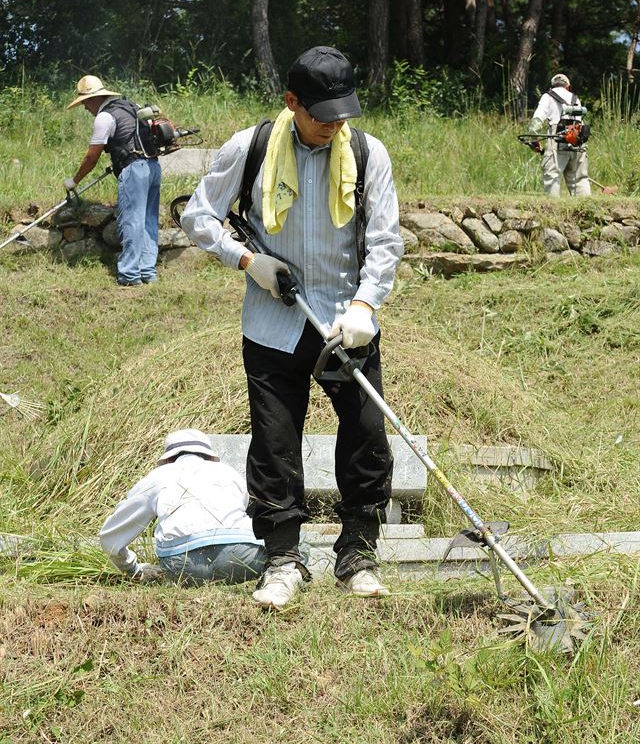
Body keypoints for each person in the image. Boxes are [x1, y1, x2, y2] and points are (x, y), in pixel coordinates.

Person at [181, 45, 404, 610]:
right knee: (275, 441)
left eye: (343, 115)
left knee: (366, 435)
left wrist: (366, 306)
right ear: (291, 102)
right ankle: (283, 557)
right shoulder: (250, 147)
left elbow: (384, 241)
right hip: (271, 322)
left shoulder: (369, 154)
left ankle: (357, 551)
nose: (333, 126)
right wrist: (248, 262)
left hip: (345, 322)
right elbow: (198, 215)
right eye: (321, 115)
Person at [99, 428, 267, 585]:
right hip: (242, 557)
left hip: (182, 565)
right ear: (209, 456)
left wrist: (133, 569)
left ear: (169, 459)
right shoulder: (228, 472)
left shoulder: (159, 476)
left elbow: (110, 537)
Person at [65, 75, 162, 285]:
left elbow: (92, 157)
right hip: (153, 166)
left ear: (93, 99)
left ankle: (129, 275)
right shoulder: (130, 106)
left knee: (132, 221)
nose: (84, 108)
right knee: (148, 221)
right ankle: (148, 271)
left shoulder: (105, 117)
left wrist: (74, 181)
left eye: (84, 102)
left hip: (134, 171)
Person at [528, 73, 591, 196]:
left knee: (552, 176)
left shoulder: (547, 96)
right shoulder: (575, 98)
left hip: (557, 141)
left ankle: (552, 211)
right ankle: (587, 211)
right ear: (568, 86)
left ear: (552, 86)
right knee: (580, 179)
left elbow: (537, 119)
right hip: (577, 141)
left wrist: (533, 139)